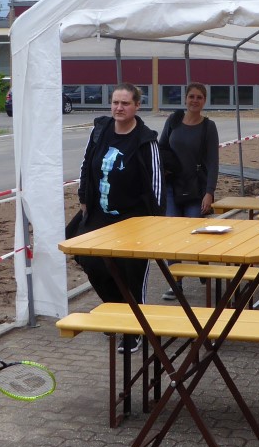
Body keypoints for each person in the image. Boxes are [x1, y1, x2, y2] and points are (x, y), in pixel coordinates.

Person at [75, 83, 163, 316]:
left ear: (137, 105)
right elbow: (86, 165)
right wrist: (84, 198)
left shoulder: (146, 139)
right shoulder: (100, 130)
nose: (119, 108)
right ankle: (117, 310)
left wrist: (156, 221)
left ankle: (136, 324)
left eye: (125, 103)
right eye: (115, 102)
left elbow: (156, 182)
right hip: (100, 212)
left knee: (131, 270)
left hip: (133, 218)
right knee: (89, 259)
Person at [157, 83, 220, 300]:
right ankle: (176, 283)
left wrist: (209, 192)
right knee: (173, 234)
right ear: (185, 99)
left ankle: (202, 262)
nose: (194, 100)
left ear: (204, 101)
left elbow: (213, 161)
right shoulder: (173, 120)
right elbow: (161, 147)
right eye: (191, 96)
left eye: (199, 97)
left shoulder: (208, 127)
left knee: (195, 232)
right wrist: (164, 168)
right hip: (172, 187)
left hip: (195, 189)